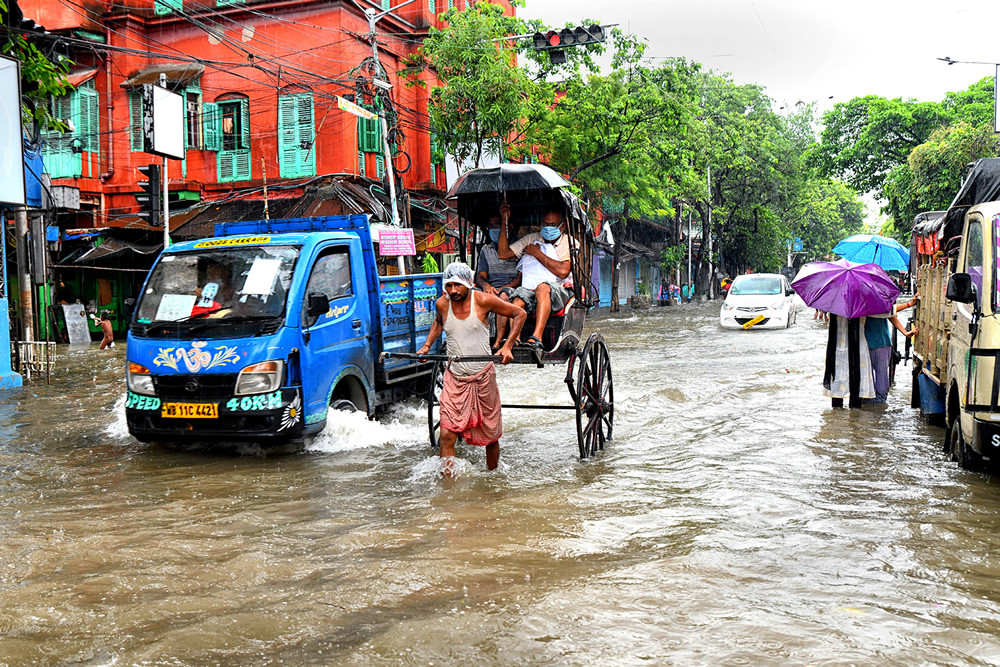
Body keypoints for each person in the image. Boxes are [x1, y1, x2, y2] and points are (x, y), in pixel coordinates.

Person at [417, 262, 526, 473]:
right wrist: (427, 346)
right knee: (447, 434)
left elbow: (519, 313)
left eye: (457, 286)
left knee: (490, 436)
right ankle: (448, 488)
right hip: (455, 378)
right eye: (449, 286)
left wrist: (507, 345)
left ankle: (492, 478)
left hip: (482, 378)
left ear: (469, 283)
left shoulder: (483, 301)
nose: (453, 291)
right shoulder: (442, 304)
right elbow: (439, 323)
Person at [496, 204, 574, 351]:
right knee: (518, 295)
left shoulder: (568, 242)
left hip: (560, 291)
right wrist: (504, 221)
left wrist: (537, 253)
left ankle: (536, 336)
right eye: (545, 224)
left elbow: (563, 271)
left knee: (543, 288)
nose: (548, 227)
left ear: (562, 227)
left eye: (553, 225)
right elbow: (504, 253)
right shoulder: (532, 239)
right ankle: (515, 339)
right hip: (530, 289)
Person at [864, 294, 919, 404]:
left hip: (878, 343)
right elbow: (889, 312)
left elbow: (889, 312)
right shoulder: (862, 299)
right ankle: (876, 409)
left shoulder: (873, 298)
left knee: (879, 381)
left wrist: (905, 332)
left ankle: (876, 408)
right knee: (869, 381)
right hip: (866, 344)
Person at [475, 214, 521, 346]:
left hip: (512, 288)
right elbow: (480, 275)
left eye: (497, 224)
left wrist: (502, 288)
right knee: (471, 295)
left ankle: (498, 340)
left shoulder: (518, 248)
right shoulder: (486, 249)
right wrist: (486, 286)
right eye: (491, 225)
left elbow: (520, 277)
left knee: (504, 295)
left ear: (509, 227)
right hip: (491, 288)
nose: (493, 228)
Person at [824, 314, 875, 408]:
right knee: (847, 387)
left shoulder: (833, 304)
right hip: (848, 350)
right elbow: (884, 313)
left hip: (841, 349)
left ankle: (838, 419)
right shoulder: (863, 303)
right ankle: (853, 419)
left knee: (839, 388)